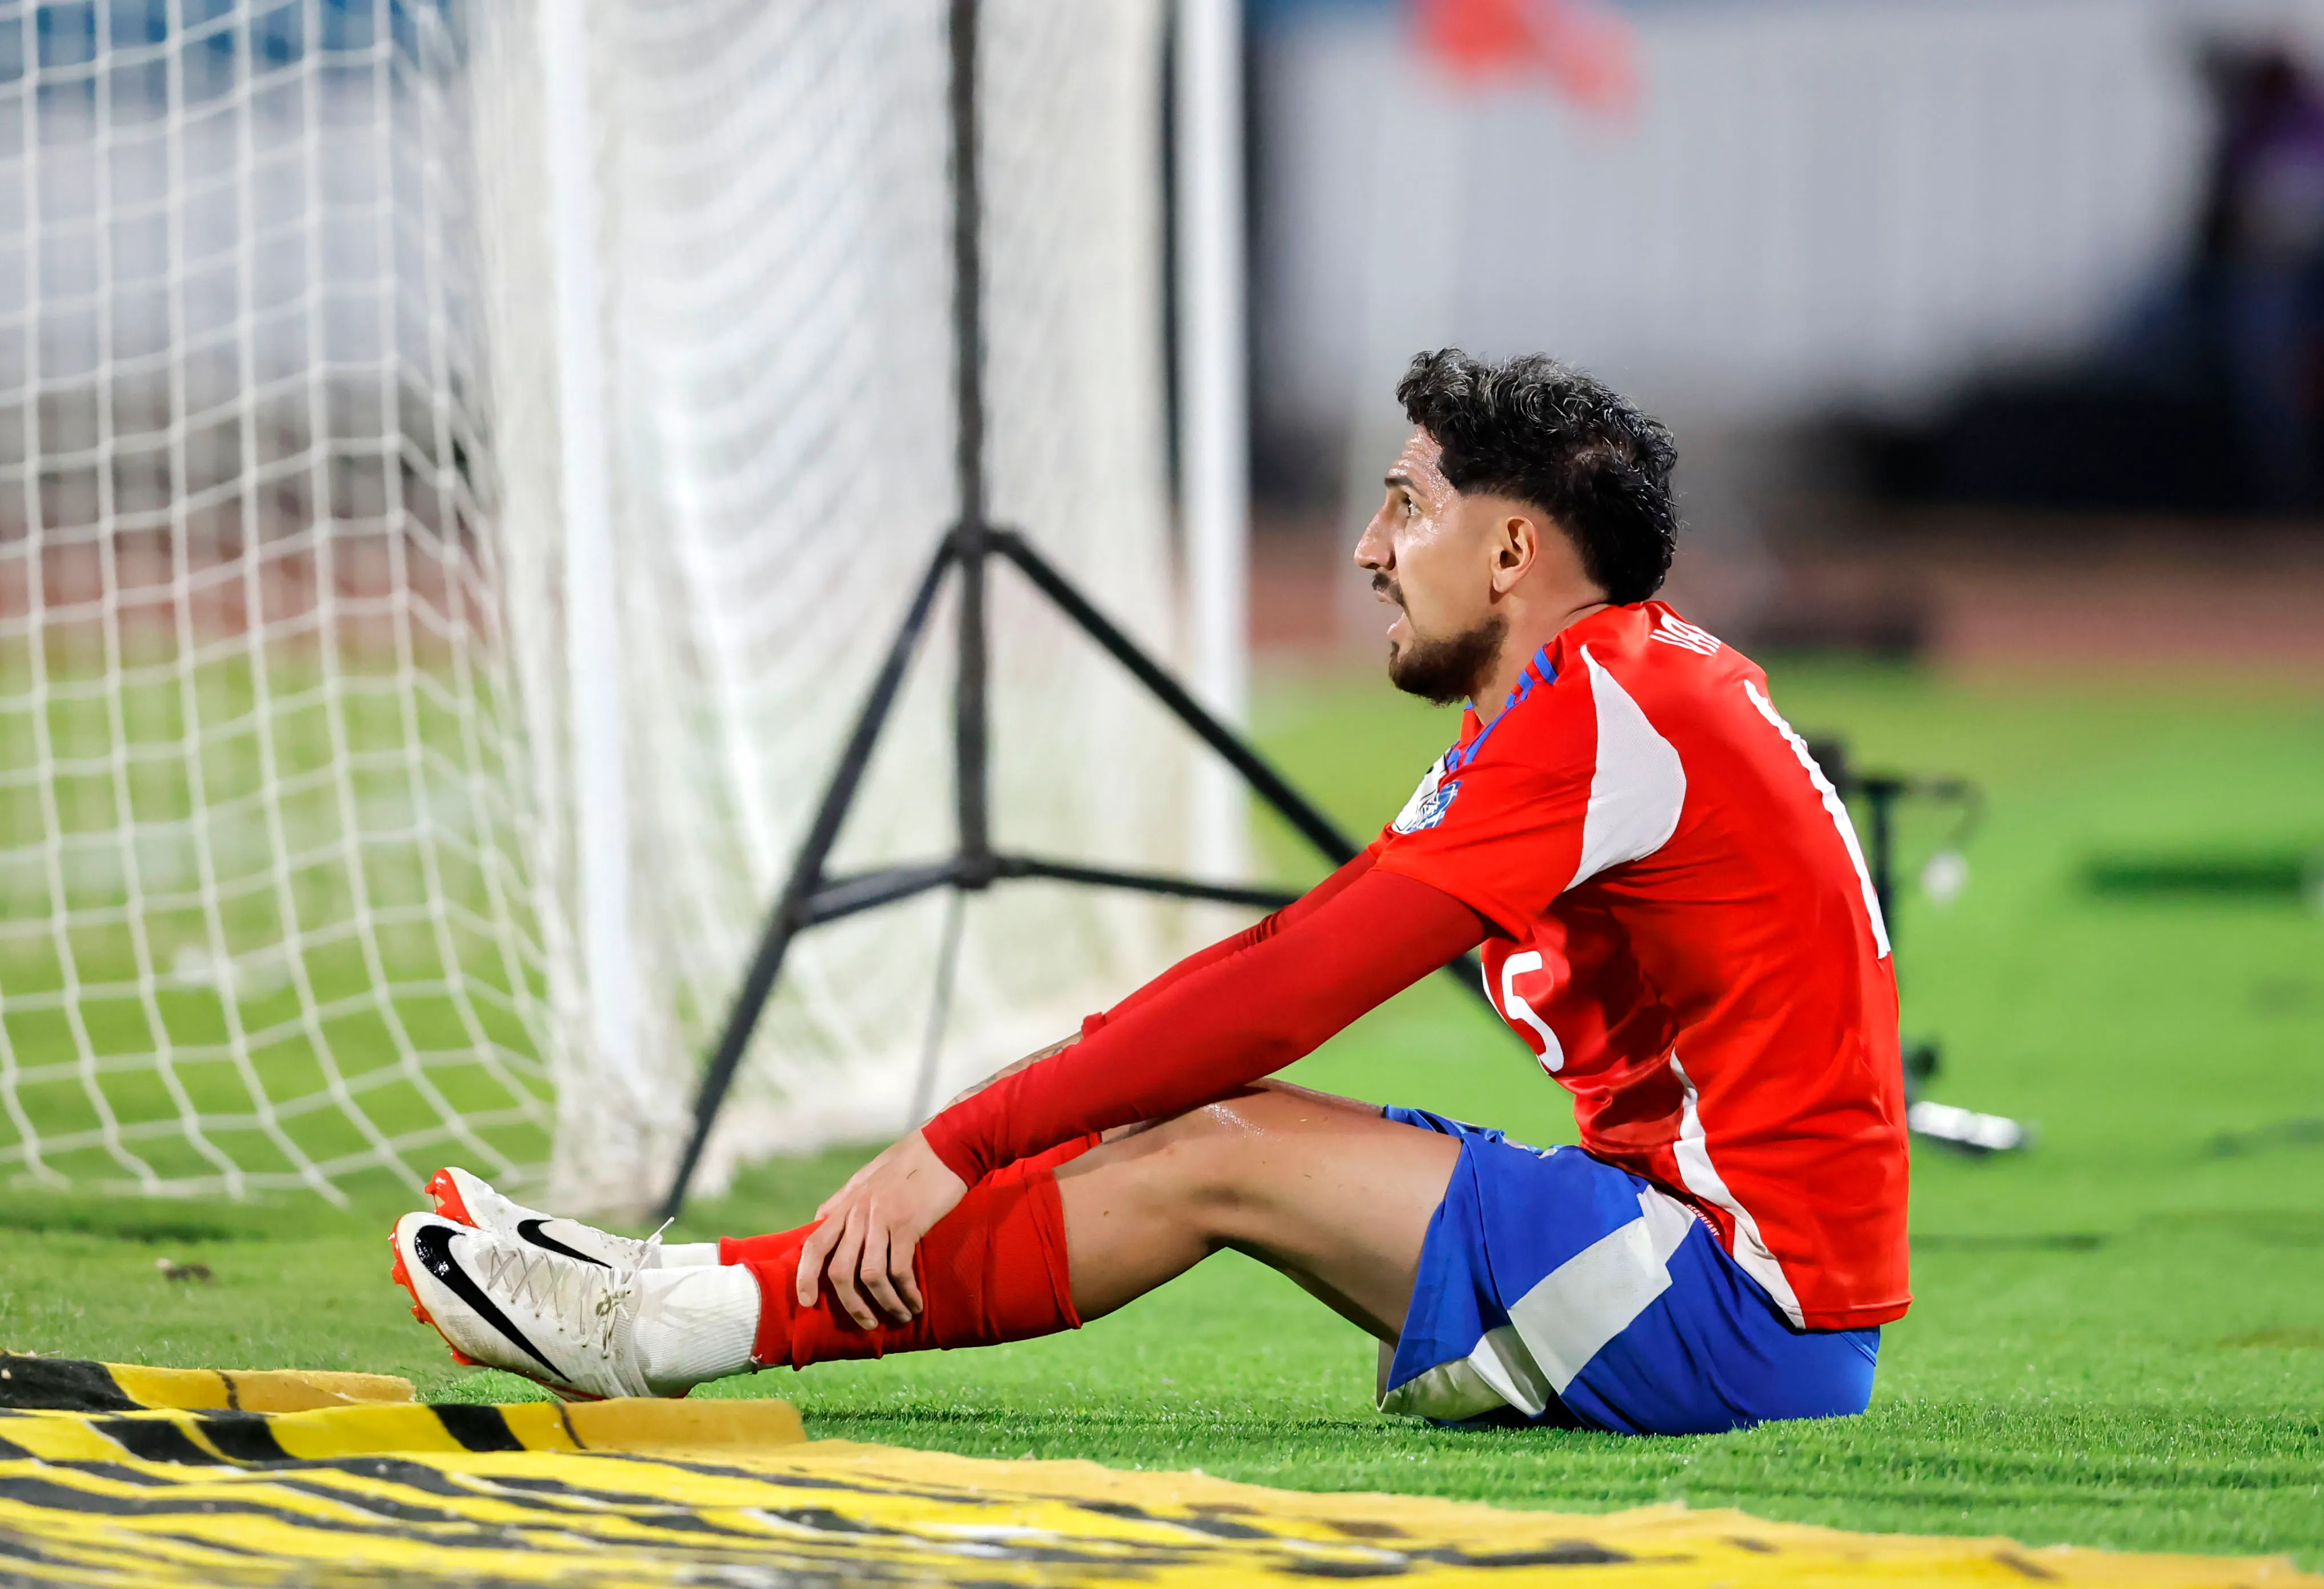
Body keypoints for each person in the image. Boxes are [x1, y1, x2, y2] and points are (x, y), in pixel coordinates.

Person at [392, 349, 1909, 1435]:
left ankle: (671, 1322)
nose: (1371, 549)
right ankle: (680, 1295)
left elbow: (1289, 980)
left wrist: (956, 1133)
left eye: (1406, 506)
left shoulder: (1602, 707)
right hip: (1720, 1272)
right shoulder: (1624, 689)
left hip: (1739, 1309)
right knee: (1196, 1128)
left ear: (1514, 545)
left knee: (1215, 1142)